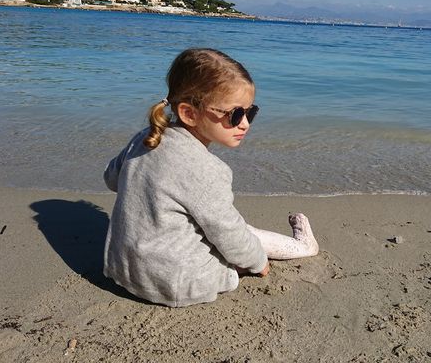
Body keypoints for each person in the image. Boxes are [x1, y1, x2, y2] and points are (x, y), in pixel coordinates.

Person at [103, 48, 318, 307]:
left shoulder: (145, 139)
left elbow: (111, 179)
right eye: (236, 115)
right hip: (179, 284)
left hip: (121, 270)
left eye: (251, 113)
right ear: (189, 113)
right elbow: (229, 234)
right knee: (243, 232)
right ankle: (304, 248)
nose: (245, 124)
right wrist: (258, 263)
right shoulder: (206, 170)